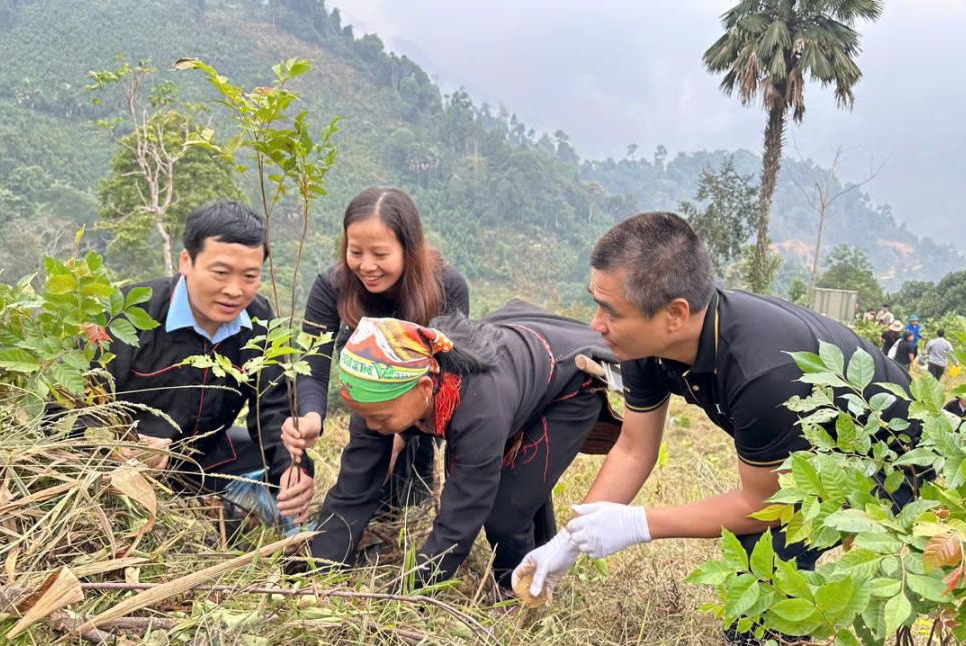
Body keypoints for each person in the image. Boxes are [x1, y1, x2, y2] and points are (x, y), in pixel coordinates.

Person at [513, 212, 919, 643]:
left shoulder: (763, 372)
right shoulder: (642, 346)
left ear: (675, 314)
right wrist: (568, 543)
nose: (596, 324)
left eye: (610, 311)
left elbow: (761, 503)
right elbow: (633, 449)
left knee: (787, 588)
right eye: (596, 304)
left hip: (894, 458)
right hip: (811, 454)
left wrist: (638, 524)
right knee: (759, 573)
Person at [307, 303, 614, 588]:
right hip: (516, 377)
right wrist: (321, 572)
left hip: (567, 383)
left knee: (505, 514)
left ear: (425, 388)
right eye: (364, 417)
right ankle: (534, 561)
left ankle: (518, 588)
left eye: (381, 418)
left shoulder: (479, 408)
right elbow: (353, 489)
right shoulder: (376, 399)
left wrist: (410, 591)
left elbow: (461, 516)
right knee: (519, 490)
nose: (373, 427)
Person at [102, 201, 313, 531]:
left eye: (249, 276)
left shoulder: (259, 321)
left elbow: (272, 409)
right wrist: (123, 441)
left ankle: (238, 505)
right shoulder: (130, 315)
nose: (234, 290)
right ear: (186, 261)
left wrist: (292, 468)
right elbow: (71, 407)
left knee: (271, 461)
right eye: (221, 273)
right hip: (126, 466)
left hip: (205, 458)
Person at [287, 187, 470, 510]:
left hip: (422, 400)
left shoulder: (446, 287)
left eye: (381, 255)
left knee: (404, 497)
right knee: (362, 480)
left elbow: (449, 380)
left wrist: (398, 433)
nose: (367, 266)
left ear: (408, 249)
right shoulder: (333, 286)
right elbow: (312, 364)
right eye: (355, 252)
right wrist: (311, 415)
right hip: (368, 406)